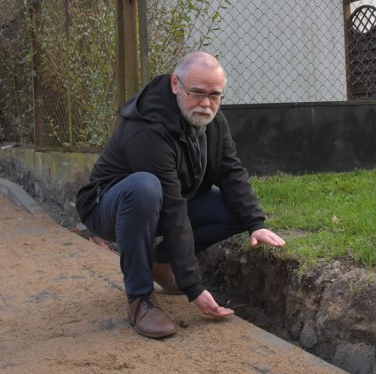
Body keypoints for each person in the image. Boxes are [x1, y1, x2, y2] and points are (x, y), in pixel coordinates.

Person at [75, 51, 285, 339]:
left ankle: (160, 262)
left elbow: (231, 172)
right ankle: (139, 300)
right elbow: (173, 208)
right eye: (197, 92)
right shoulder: (147, 127)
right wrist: (193, 287)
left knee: (235, 210)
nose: (205, 103)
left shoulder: (214, 121)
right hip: (111, 206)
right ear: (175, 83)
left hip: (165, 201)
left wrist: (256, 223)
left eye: (215, 95)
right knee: (145, 187)